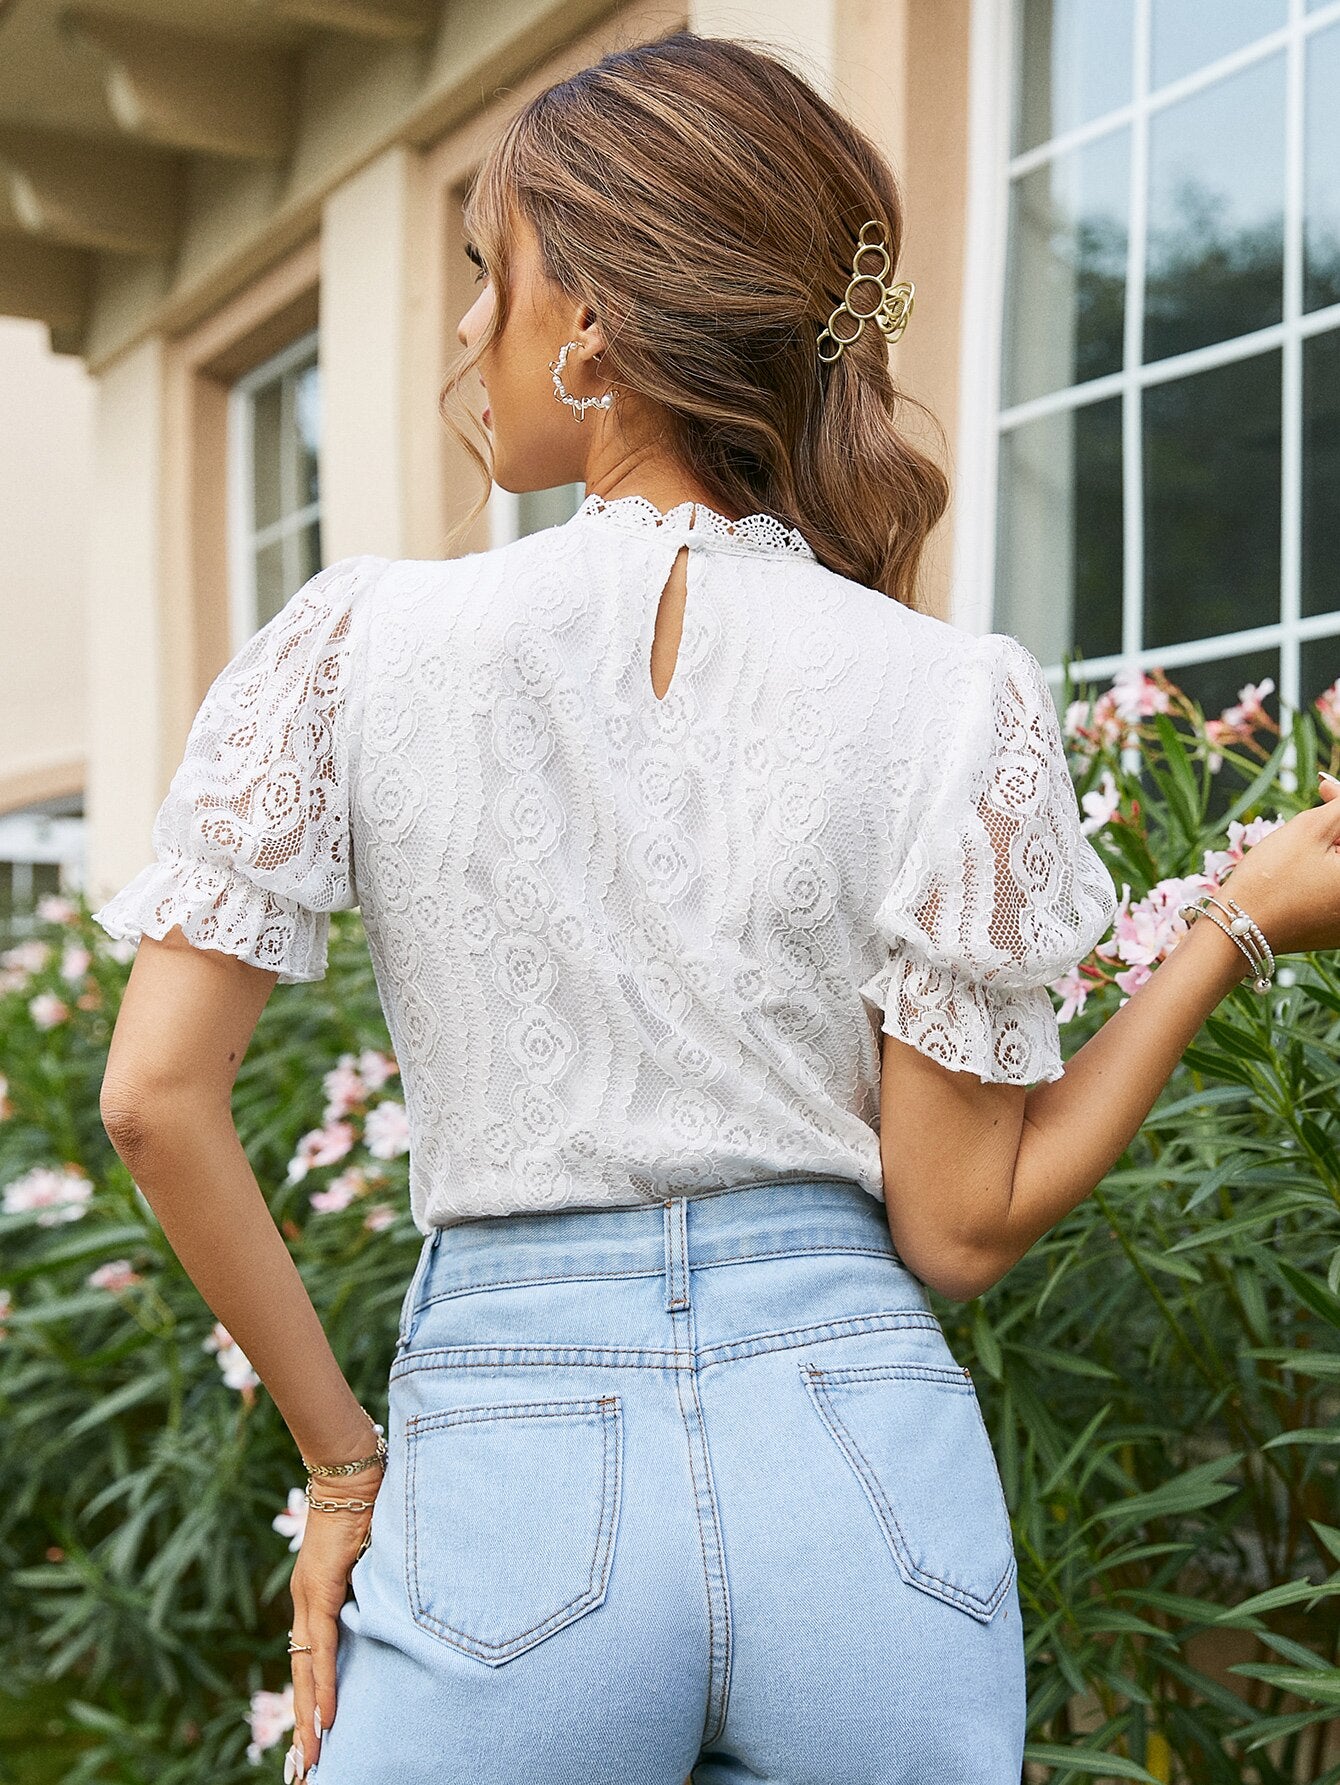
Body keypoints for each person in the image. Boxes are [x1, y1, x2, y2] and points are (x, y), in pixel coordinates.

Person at [91, 28, 1340, 1785]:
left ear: (590, 320)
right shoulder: (949, 692)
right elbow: (963, 1229)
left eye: (486, 276)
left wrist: (347, 1466)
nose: (469, 329)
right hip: (860, 1468)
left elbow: (152, 1098)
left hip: (516, 1464)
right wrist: (1234, 919)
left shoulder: (357, 641)